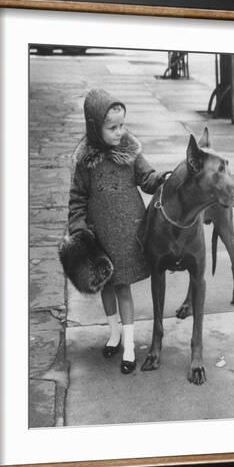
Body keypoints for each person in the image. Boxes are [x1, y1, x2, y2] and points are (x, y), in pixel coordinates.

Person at [68, 88, 168, 374]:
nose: (120, 132)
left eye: (122, 125)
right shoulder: (85, 163)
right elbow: (77, 199)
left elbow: (147, 179)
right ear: (94, 128)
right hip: (98, 237)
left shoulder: (130, 153)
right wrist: (78, 229)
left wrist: (161, 178)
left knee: (122, 286)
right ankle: (114, 333)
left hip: (127, 234)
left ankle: (129, 346)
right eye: (112, 127)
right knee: (106, 286)